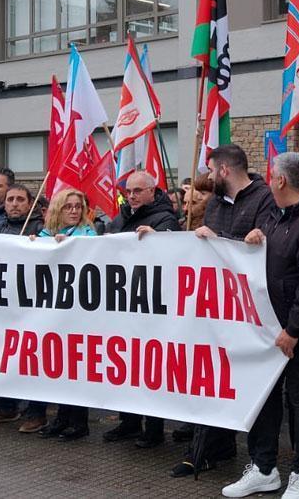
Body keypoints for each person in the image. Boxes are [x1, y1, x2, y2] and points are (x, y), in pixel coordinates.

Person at [222, 153, 299, 499]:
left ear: (281, 181)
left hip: (298, 328)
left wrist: (293, 330)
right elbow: (275, 256)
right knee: (264, 394)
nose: (268, 179)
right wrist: (258, 236)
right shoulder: (278, 214)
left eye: (271, 174)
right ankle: (264, 468)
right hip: (269, 322)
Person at [174, 147, 277, 480]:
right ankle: (210, 448)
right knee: (216, 376)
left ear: (224, 171)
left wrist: (222, 240)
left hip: (252, 309)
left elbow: (262, 246)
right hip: (218, 306)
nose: (207, 175)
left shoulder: (264, 198)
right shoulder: (216, 204)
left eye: (210, 169)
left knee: (251, 381)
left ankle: (261, 462)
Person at [104, 171, 181, 448]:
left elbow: (174, 251)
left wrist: (158, 238)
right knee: (127, 366)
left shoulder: (165, 218)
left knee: (150, 368)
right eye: (128, 191)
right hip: (124, 301)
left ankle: (154, 429)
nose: (132, 196)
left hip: (150, 303)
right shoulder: (122, 217)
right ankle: (129, 422)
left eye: (137, 191)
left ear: (152, 191)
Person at [0, 184, 44, 429]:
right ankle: (6, 407)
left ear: (30, 203)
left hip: (32, 305)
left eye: (20, 199)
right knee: (6, 357)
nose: (14, 204)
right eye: (11, 199)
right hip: (4, 305)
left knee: (33, 360)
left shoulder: (40, 227)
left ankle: (36, 413)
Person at [29, 188, 97, 440]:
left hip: (78, 313)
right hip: (53, 314)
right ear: (58, 208)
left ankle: (79, 423)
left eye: (78, 207)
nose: (74, 211)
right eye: (69, 206)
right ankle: (61, 418)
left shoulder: (88, 233)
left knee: (77, 370)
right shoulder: (45, 235)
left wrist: (69, 246)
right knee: (57, 368)